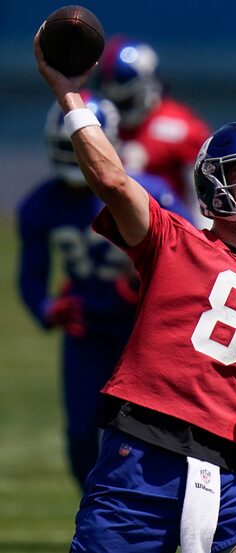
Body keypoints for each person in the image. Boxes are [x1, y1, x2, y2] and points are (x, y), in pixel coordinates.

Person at [34, 32, 236, 553]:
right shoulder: (172, 239)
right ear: (212, 184)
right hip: (141, 455)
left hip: (229, 470)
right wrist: (70, 96)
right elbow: (111, 180)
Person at [16, 91, 189, 488]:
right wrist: (46, 308)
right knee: (80, 434)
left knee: (154, 429)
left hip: (144, 330)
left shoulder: (152, 191)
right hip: (88, 331)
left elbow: (190, 255)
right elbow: (30, 277)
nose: (74, 155)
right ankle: (97, 508)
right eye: (66, 146)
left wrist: (149, 286)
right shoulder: (41, 206)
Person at [97, 36, 212, 220]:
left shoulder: (181, 128)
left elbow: (203, 199)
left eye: (125, 101)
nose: (118, 107)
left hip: (171, 232)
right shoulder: (101, 124)